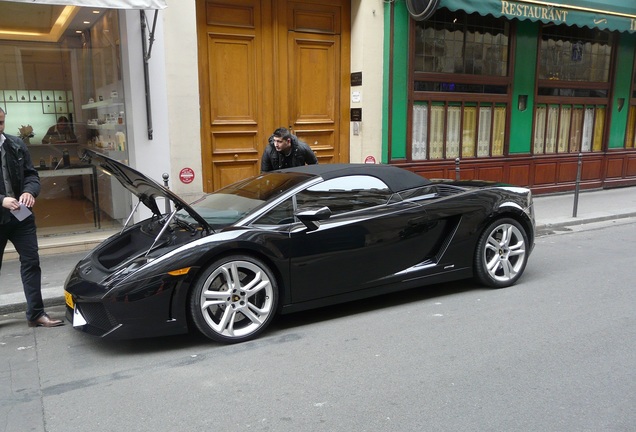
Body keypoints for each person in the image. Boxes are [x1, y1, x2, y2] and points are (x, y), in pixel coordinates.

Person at [0, 107, 64, 327]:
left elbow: (31, 175)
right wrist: (1, 200)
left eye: (0, 123)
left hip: (20, 213)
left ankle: (36, 314)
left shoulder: (16, 144)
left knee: (31, 262)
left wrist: (29, 191)